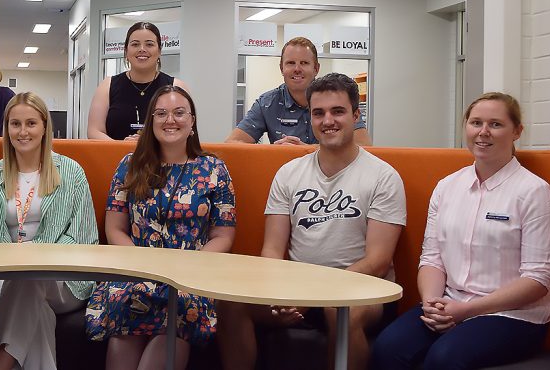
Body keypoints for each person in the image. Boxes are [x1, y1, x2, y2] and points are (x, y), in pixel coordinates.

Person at [217, 73, 405, 370]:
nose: (328, 120)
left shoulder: (383, 177)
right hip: (298, 290)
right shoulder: (289, 173)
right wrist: (280, 292)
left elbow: (378, 262)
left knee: (338, 310)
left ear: (355, 116)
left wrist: (316, 293)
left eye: (338, 111)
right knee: (230, 302)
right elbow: (272, 250)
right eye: (319, 113)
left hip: (364, 291)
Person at [371, 92, 550, 370]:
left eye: (496, 124)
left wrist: (466, 311)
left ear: (517, 131)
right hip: (450, 303)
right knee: (387, 348)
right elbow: (432, 259)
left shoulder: (534, 192)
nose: (483, 132)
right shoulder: (447, 187)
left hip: (513, 315)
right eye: (476, 123)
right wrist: (432, 303)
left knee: (444, 359)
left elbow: (537, 279)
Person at [85, 85, 236, 370]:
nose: (170, 120)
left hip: (189, 279)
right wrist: (143, 265)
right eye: (161, 113)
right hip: (137, 273)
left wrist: (190, 267)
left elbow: (223, 235)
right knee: (125, 320)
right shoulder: (130, 165)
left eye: (179, 113)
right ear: (151, 121)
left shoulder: (214, 169)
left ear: (192, 121)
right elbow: (115, 229)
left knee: (178, 313)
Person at [0, 92, 99, 370]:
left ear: (45, 127)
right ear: (6, 129)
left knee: (31, 276)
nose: (22, 131)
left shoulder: (71, 172)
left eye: (31, 123)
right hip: (2, 279)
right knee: (35, 307)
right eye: (15, 124)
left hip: (63, 281)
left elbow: (84, 238)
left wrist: (36, 258)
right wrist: (13, 263)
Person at [225, 37, 370, 146]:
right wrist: (273, 151)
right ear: (282, 68)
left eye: (304, 63)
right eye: (291, 63)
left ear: (316, 68)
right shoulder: (267, 103)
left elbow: (364, 148)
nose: (297, 69)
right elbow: (231, 144)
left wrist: (305, 151)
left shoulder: (339, 98)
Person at [87, 22, 189, 141]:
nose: (142, 49)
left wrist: (147, 146)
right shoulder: (107, 86)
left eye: (149, 44)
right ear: (126, 51)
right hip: (115, 152)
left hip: (163, 153)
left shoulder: (176, 86)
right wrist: (122, 147)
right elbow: (94, 131)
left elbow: (186, 131)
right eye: (135, 44)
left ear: (159, 51)